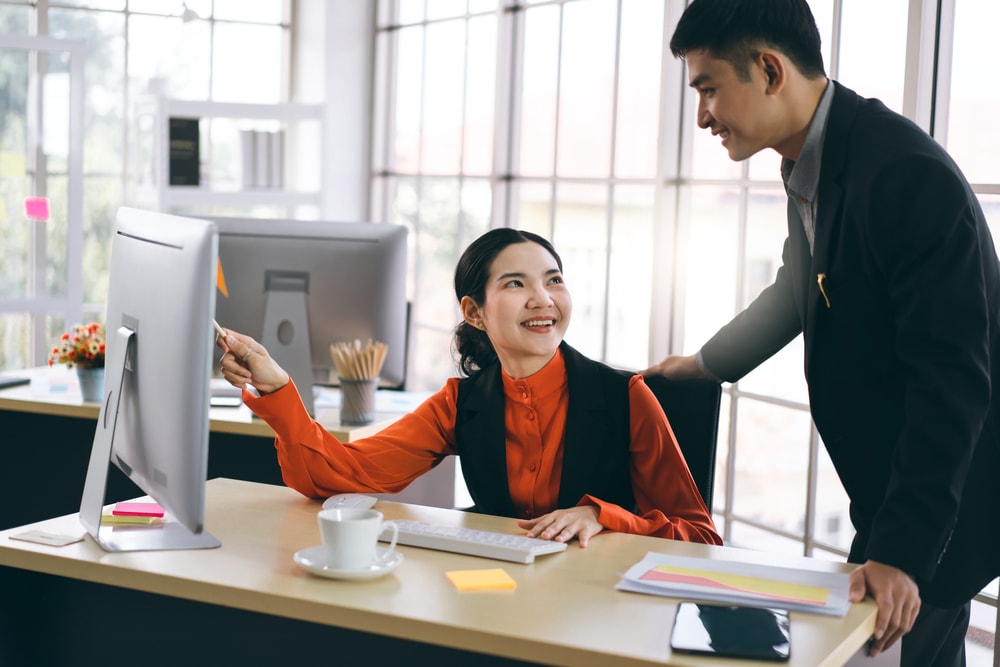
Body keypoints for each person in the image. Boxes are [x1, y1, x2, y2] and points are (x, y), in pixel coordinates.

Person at [644, 1, 1000, 664]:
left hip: (944, 503)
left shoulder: (900, 176)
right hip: (894, 491)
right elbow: (794, 289)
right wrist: (704, 364)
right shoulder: (815, 158)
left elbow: (951, 383)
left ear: (770, 71)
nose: (702, 116)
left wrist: (899, 552)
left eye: (709, 88)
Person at [218, 227, 721, 548]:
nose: (543, 299)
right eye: (516, 284)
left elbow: (700, 538)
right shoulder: (459, 404)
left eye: (554, 280)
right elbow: (339, 477)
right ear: (474, 312)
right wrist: (279, 389)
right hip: (496, 597)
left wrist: (602, 516)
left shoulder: (627, 397)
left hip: (601, 610)